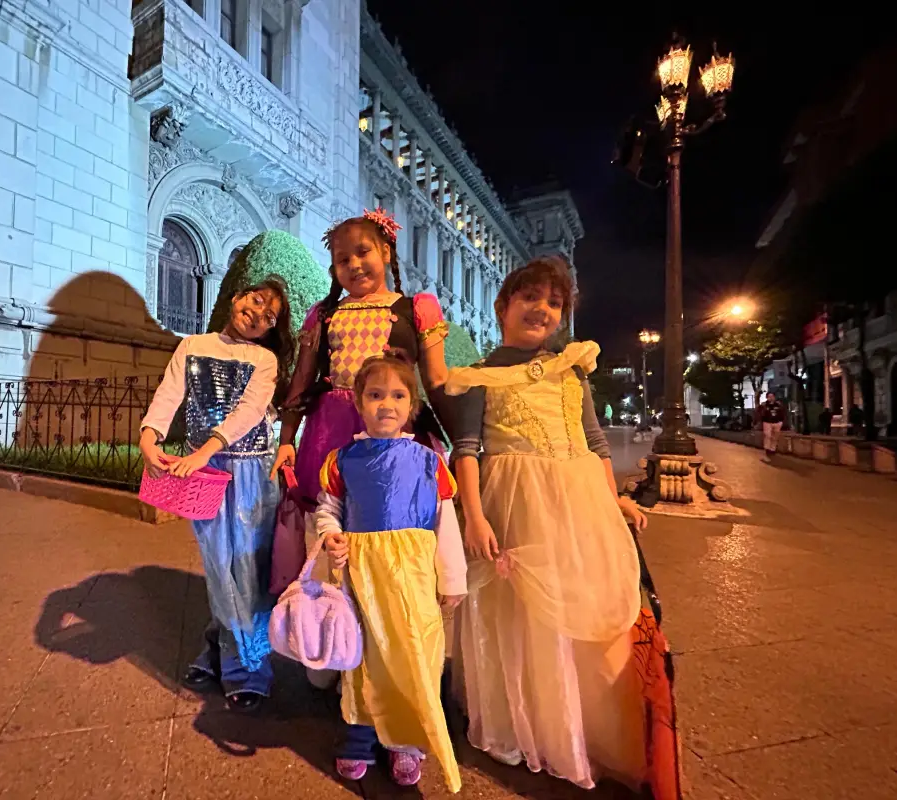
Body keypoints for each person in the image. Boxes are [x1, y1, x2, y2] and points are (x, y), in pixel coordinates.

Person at [440, 255, 667, 794]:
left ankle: (586, 723)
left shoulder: (573, 369)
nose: (542, 309)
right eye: (530, 298)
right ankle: (532, 723)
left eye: (554, 302)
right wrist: (473, 515)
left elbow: (594, 441)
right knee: (521, 615)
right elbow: (466, 450)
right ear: (503, 307)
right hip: (513, 502)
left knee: (581, 602)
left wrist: (615, 503)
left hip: (579, 499)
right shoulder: (479, 375)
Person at [271, 208, 450, 688]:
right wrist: (287, 439)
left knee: (393, 537)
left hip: (396, 436)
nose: (353, 265)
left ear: (386, 252)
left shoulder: (417, 310)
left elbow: (436, 382)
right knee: (330, 533)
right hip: (331, 432)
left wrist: (468, 441)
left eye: (363, 252)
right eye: (341, 259)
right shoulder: (324, 313)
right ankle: (330, 641)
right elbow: (301, 379)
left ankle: (388, 650)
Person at [139, 277, 295, 714]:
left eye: (271, 316)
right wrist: (149, 437)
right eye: (257, 300)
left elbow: (248, 412)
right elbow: (170, 394)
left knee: (247, 570)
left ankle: (248, 669)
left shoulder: (264, 360)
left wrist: (205, 450)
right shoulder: (191, 345)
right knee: (218, 568)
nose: (259, 313)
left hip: (249, 470)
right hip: (203, 473)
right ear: (238, 296)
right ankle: (220, 648)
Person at [317, 353, 467, 791]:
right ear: (360, 403)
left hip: (413, 576)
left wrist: (452, 578)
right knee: (363, 657)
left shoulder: (428, 460)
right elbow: (330, 509)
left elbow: (446, 522)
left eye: (398, 395)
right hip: (362, 573)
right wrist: (330, 536)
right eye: (375, 394)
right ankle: (360, 735)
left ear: (412, 405)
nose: (387, 403)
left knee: (413, 654)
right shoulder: (342, 459)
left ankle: (407, 742)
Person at [758, 391, 786, 462]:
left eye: (772, 396)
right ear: (767, 397)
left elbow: (783, 412)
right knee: (768, 436)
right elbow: (759, 412)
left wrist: (781, 421)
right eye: (769, 397)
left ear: (774, 397)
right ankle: (766, 450)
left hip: (777, 423)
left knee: (775, 437)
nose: (771, 398)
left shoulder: (778, 404)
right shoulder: (764, 405)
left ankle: (772, 450)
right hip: (767, 423)